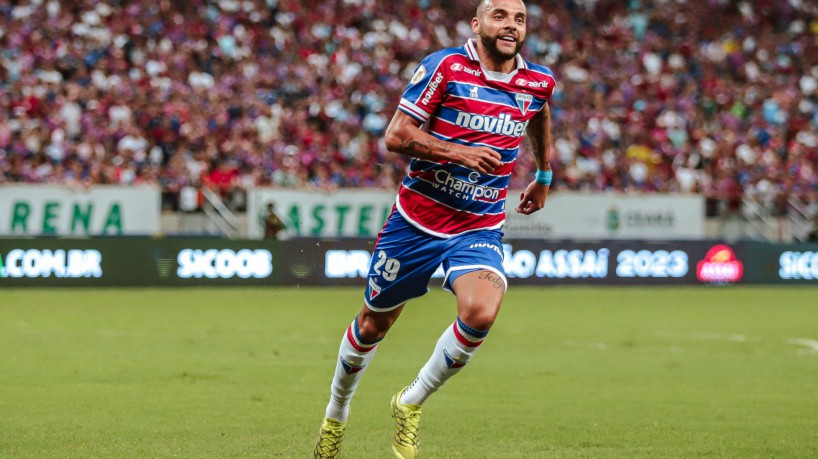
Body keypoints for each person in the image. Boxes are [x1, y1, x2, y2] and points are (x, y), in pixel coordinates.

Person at [313, 1, 555, 457]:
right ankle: (336, 414)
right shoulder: (444, 66)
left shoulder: (537, 81)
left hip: (479, 225)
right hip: (416, 222)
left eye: (519, 18)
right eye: (500, 15)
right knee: (372, 325)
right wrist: (459, 153)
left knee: (481, 312)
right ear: (478, 23)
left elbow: (539, 112)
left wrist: (543, 173)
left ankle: (410, 402)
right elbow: (396, 135)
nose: (511, 25)